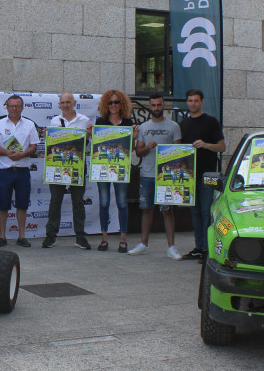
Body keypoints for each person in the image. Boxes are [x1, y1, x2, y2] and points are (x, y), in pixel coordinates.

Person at [131, 93, 182, 258]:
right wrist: (148, 147)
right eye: (153, 105)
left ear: (164, 105)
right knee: (146, 209)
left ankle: (171, 247)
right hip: (147, 173)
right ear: (149, 106)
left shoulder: (173, 126)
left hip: (166, 176)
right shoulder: (143, 127)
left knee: (167, 210)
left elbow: (179, 151)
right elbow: (138, 152)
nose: (156, 108)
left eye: (159, 105)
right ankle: (143, 244)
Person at [179, 88, 225, 261]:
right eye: (190, 101)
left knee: (206, 211)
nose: (193, 104)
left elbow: (222, 146)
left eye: (196, 101)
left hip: (207, 174)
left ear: (202, 102)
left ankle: (208, 249)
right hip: (190, 174)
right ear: (187, 102)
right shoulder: (183, 124)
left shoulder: (211, 122)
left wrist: (206, 145)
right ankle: (199, 247)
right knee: (195, 212)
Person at [42, 92, 92, 250]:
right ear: (59, 104)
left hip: (77, 165)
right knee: (55, 201)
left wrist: (88, 136)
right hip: (58, 166)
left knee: (78, 202)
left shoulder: (84, 120)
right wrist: (47, 137)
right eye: (62, 103)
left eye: (68, 102)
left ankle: (80, 237)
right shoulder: (54, 121)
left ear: (74, 103)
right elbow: (52, 146)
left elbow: (88, 146)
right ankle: (51, 236)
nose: (65, 105)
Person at [0, 95, 38, 248]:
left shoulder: (30, 124)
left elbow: (34, 146)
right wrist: (7, 153)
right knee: (3, 205)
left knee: (22, 205)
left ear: (22, 108)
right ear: (7, 107)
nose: (14, 109)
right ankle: (2, 236)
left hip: (23, 171)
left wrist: (23, 154)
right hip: (5, 171)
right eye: (11, 106)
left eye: (17, 106)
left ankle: (22, 236)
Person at [94, 89, 135, 253]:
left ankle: (123, 238)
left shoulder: (128, 122)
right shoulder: (100, 122)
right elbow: (95, 146)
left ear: (122, 104)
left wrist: (134, 137)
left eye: (116, 102)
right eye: (110, 102)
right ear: (106, 104)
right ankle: (104, 238)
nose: (113, 105)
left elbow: (130, 149)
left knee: (122, 203)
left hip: (121, 168)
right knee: (104, 202)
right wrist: (90, 134)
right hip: (103, 167)